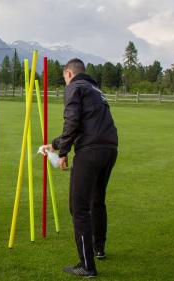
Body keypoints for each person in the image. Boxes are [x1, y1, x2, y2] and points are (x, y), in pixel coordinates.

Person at [43, 58, 118, 278]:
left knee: (79, 207)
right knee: (97, 200)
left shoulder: (74, 87)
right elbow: (87, 125)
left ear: (68, 73)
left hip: (91, 152)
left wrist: (63, 152)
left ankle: (87, 265)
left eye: (64, 77)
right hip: (110, 149)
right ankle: (98, 248)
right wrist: (56, 144)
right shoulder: (95, 89)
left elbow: (72, 122)